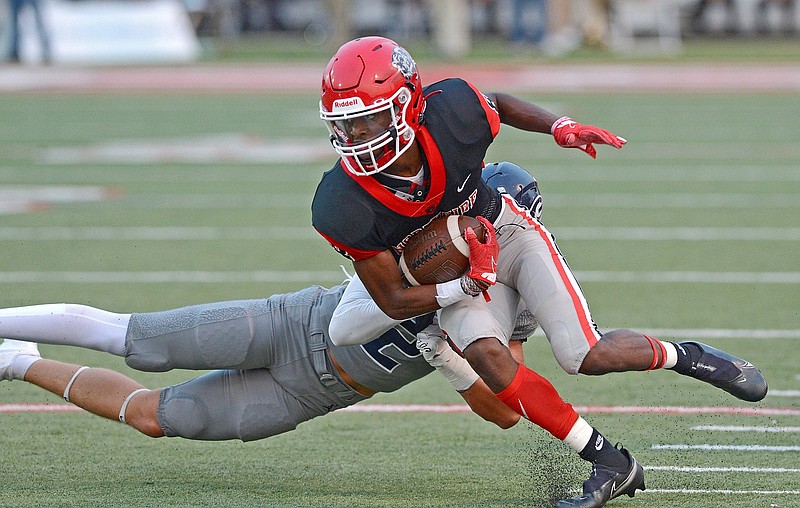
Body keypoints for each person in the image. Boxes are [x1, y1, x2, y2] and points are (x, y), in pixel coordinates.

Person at [311, 36, 767, 508]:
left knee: (583, 354)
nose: (357, 139)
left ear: (408, 105)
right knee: (488, 358)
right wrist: (461, 285)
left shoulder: (453, 113)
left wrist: (560, 127)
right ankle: (611, 462)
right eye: (346, 127)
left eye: (367, 121)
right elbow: (391, 301)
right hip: (448, 282)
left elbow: (498, 106)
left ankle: (688, 356)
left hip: (505, 232)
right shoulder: (343, 204)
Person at [0, 278, 528, 441]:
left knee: (158, 418)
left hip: (318, 391)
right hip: (293, 325)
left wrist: (448, 360)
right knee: (140, 339)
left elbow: (507, 409)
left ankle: (13, 361)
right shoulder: (427, 232)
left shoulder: (512, 306)